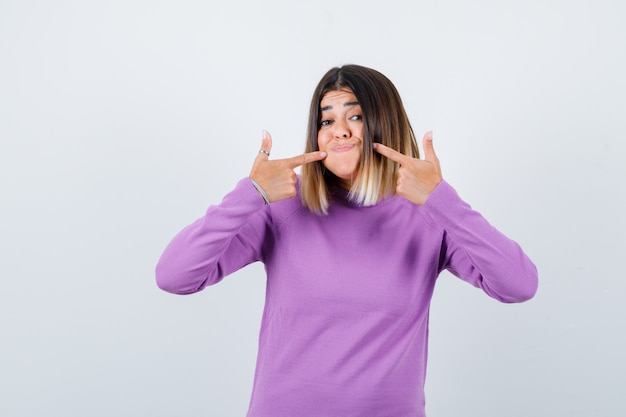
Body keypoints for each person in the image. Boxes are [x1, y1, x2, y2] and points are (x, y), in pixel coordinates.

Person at [155, 64, 538, 417]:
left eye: (355, 116)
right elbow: (174, 276)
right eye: (327, 120)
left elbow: (518, 284)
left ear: (385, 124)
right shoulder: (284, 208)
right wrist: (250, 193)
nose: (339, 130)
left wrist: (442, 200)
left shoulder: (428, 217)